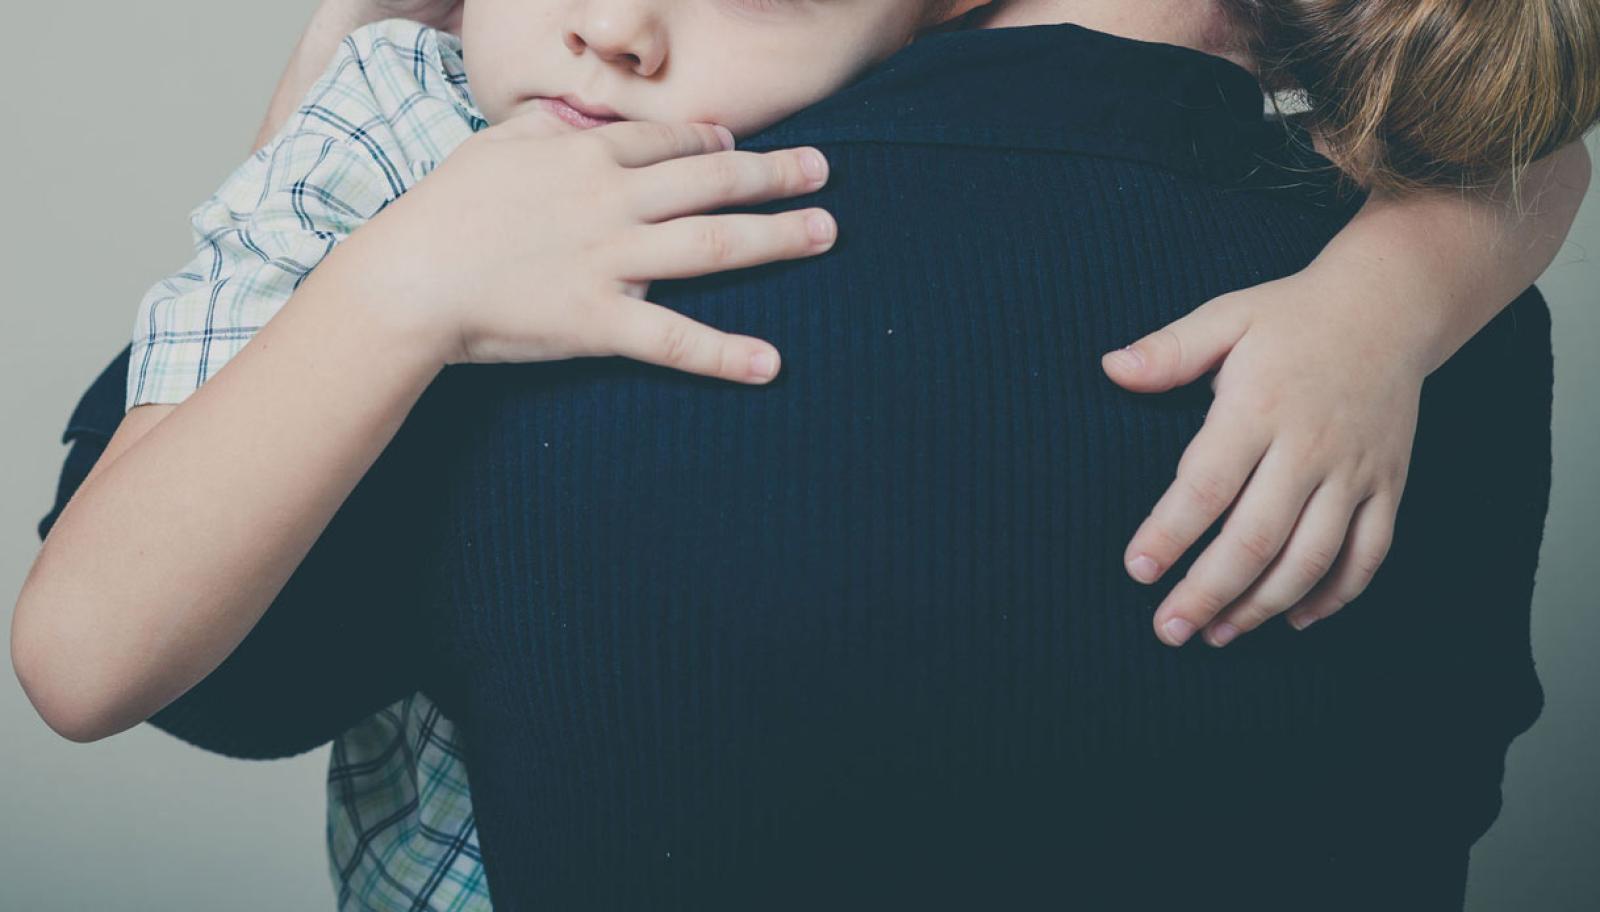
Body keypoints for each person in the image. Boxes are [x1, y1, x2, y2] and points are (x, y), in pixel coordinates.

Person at [14, 0, 1597, 907]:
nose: (616, 32)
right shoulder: (402, 130)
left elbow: (1525, 149)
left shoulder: (823, 157)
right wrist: (397, 281)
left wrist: (1382, 307)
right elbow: (86, 660)